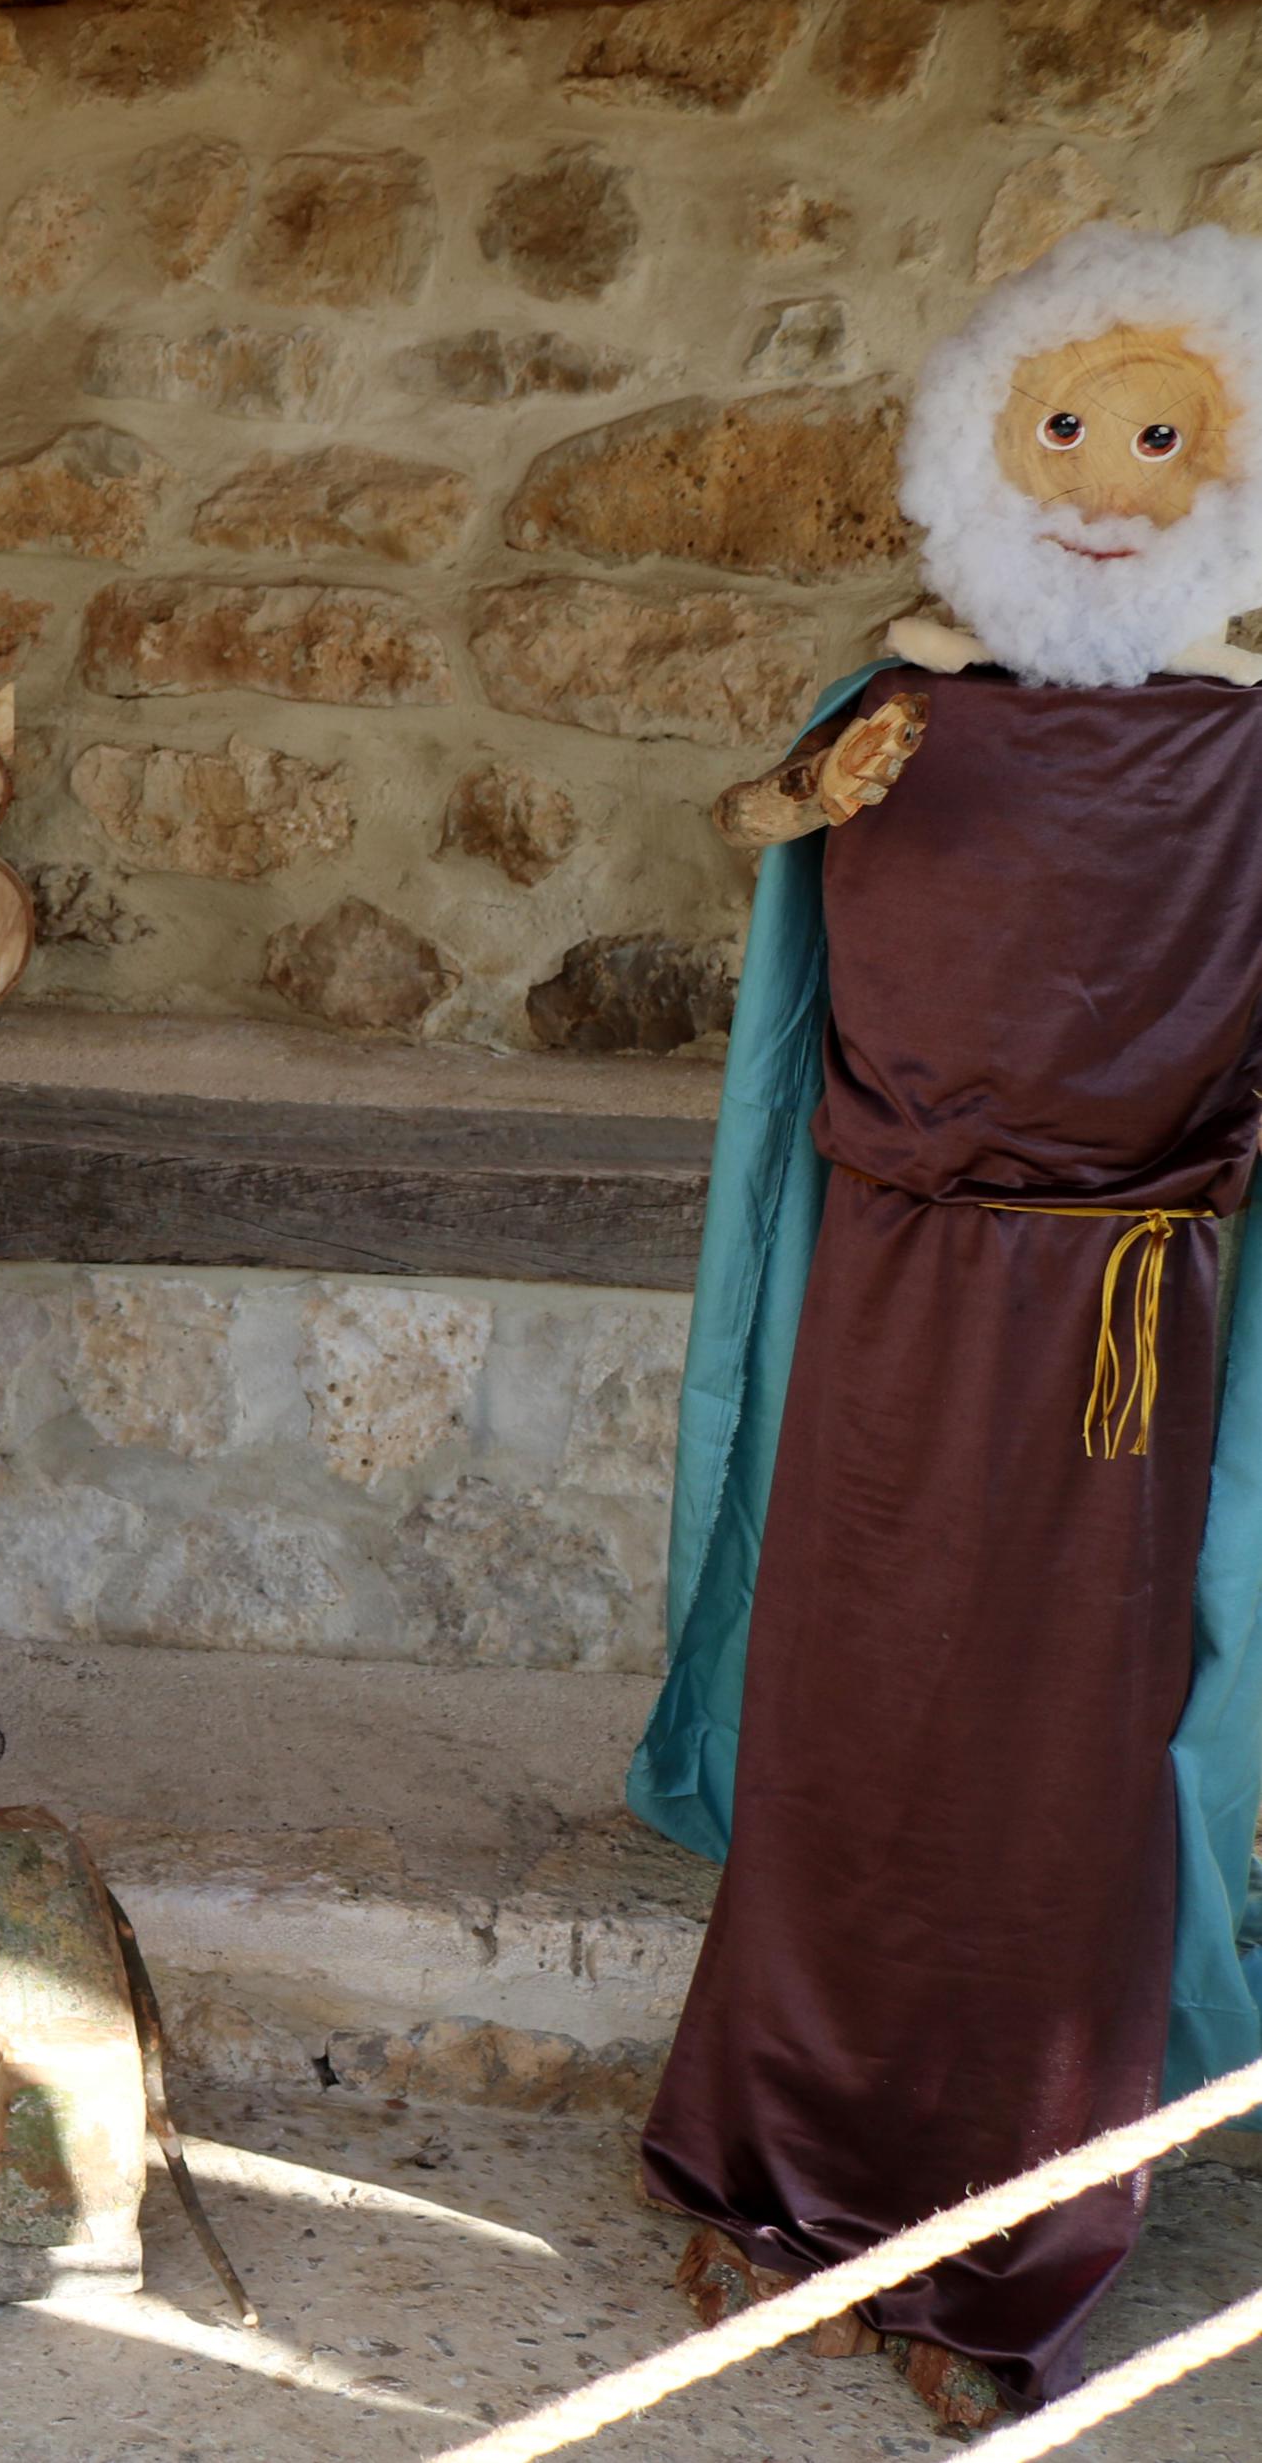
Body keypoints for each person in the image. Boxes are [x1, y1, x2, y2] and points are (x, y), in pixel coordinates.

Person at [632, 223, 1262, 2425]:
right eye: (1065, 426)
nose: (1105, 474)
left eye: (1159, 435)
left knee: (1053, 1771)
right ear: (982, 446)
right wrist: (801, 804)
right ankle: (771, 2160)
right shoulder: (892, 695)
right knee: (853, 1714)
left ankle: (1004, 2235)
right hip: (889, 1278)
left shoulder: (1246, 740)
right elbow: (752, 845)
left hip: (1118, 1321)